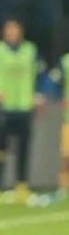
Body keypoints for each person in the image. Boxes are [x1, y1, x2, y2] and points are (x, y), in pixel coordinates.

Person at [0, 18, 46, 205]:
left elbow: (42, 74)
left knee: (23, 149)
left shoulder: (30, 50)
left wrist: (38, 95)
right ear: (4, 33)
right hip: (3, 107)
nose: (13, 33)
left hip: (24, 106)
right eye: (9, 30)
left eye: (16, 29)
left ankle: (22, 187)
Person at [45, 51, 69, 201]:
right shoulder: (66, 61)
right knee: (66, 157)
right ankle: (63, 189)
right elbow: (51, 81)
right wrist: (60, 97)